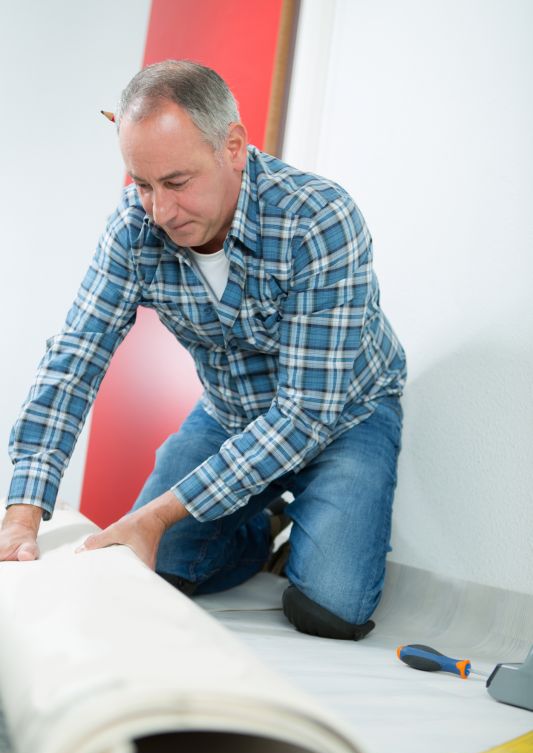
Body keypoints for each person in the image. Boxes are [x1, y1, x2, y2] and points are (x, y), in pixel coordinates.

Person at [1, 60, 406, 640]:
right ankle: (257, 525)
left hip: (345, 417)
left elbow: (306, 412)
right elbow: (75, 357)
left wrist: (159, 512)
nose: (160, 212)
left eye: (176, 182)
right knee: (159, 567)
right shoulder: (134, 230)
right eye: (142, 185)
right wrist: (22, 512)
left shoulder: (319, 219)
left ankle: (305, 514)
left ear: (233, 147)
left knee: (332, 610)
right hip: (231, 413)